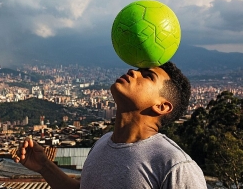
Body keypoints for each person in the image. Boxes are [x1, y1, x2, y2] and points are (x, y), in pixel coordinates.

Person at [15, 61, 207, 189]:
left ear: (162, 106)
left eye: (147, 75)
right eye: (137, 70)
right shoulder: (103, 143)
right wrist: (44, 166)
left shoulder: (174, 165)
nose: (133, 72)